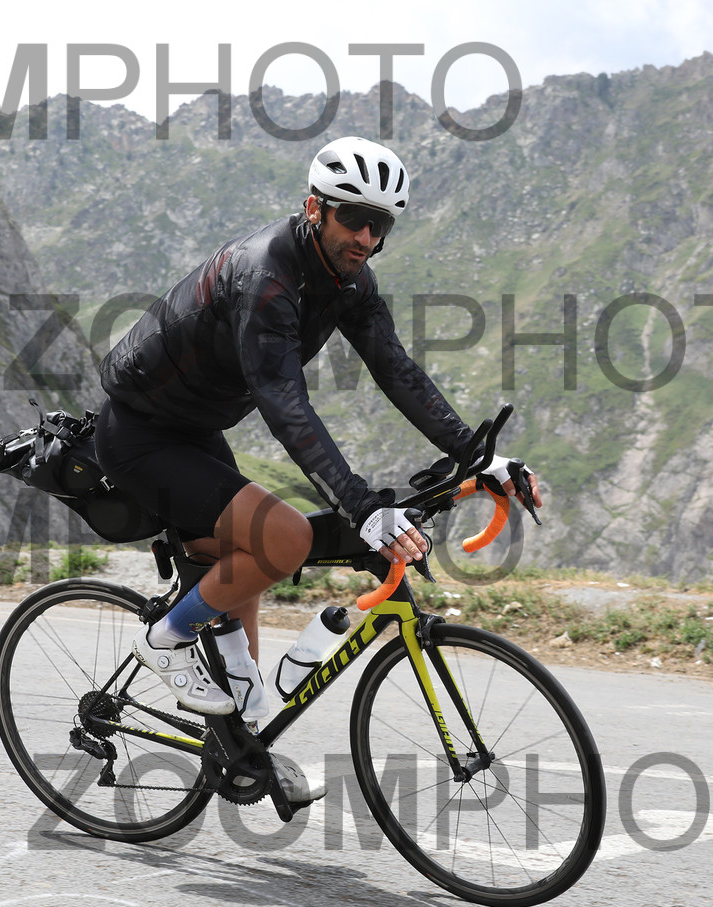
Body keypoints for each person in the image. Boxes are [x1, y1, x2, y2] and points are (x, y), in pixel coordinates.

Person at [95, 136, 541, 805]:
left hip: (194, 430)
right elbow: (284, 404)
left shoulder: (351, 279)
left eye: (380, 225)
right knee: (285, 538)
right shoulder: (266, 278)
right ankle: (167, 637)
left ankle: (241, 745)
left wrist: (480, 458)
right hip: (138, 432)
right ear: (315, 209)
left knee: (245, 568)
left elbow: (396, 370)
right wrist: (362, 506)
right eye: (353, 218)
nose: (366, 236)